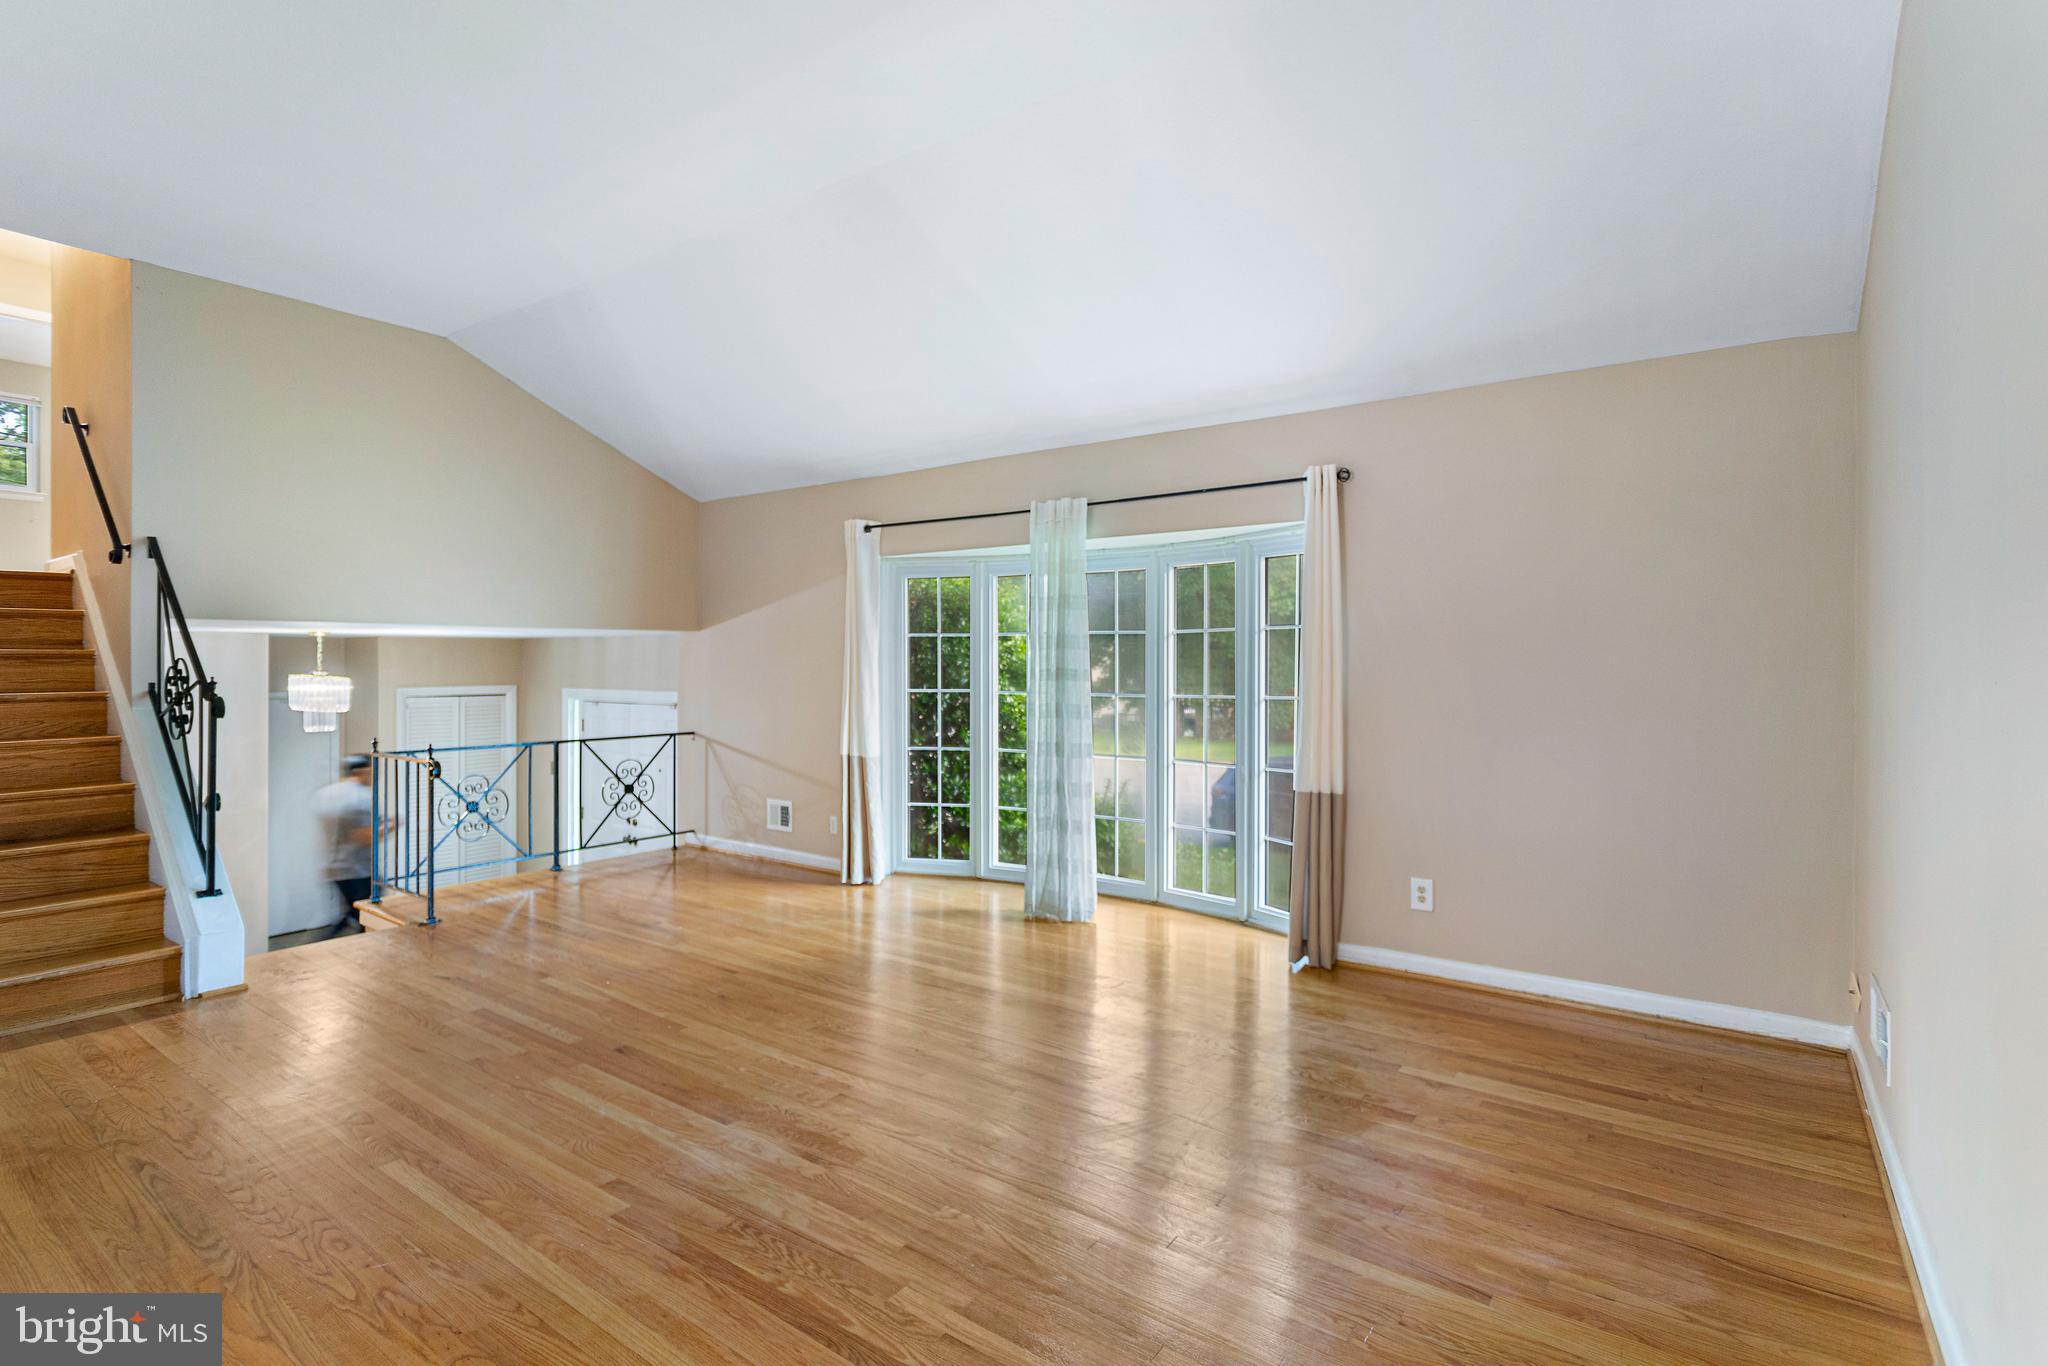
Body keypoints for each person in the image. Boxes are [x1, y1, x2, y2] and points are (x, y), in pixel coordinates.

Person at [314, 755, 376, 936]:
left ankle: (328, 942)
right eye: (370, 771)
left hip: (332, 866)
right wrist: (390, 826)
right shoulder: (361, 796)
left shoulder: (325, 794)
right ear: (361, 771)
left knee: (351, 913)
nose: (371, 776)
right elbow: (362, 837)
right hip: (357, 869)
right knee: (365, 915)